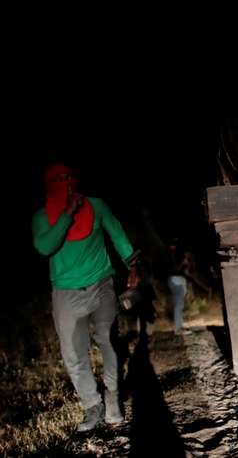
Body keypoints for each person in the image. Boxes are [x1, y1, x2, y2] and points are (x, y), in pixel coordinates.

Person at [32, 164, 135, 432]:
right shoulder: (42, 217)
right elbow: (45, 247)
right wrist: (67, 214)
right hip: (66, 293)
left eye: (70, 177)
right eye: (59, 179)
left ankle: (112, 398)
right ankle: (92, 406)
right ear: (49, 185)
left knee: (108, 340)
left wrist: (132, 263)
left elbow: (117, 232)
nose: (66, 183)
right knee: (74, 354)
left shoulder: (96, 206)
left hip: (101, 284)